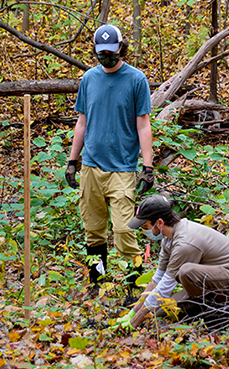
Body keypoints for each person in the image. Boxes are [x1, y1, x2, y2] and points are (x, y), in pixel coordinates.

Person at [64, 24, 154, 295]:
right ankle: (97, 282)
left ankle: (134, 287)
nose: (107, 57)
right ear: (95, 52)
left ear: (121, 48)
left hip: (122, 169)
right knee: (93, 232)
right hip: (91, 166)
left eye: (111, 52)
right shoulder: (89, 79)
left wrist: (147, 167)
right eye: (101, 53)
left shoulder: (136, 80)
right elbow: (82, 122)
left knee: (125, 232)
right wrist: (72, 160)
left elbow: (143, 126)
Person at [112, 194, 229, 330]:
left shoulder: (185, 243)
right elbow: (157, 279)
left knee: (187, 272)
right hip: (209, 280)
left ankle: (217, 308)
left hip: (224, 278)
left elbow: (166, 286)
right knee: (159, 312)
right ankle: (203, 303)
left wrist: (134, 322)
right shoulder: (168, 238)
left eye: (145, 226)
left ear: (160, 223)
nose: (144, 231)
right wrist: (134, 311)